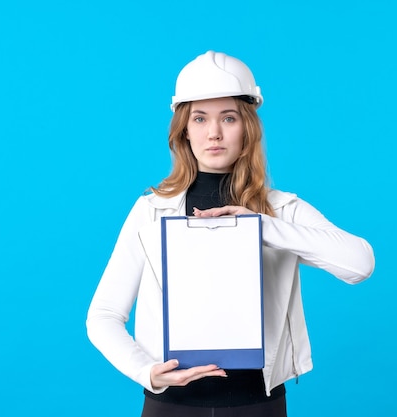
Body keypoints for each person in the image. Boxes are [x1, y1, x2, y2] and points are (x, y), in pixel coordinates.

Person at [86, 50, 375, 417]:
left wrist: (262, 226)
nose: (215, 133)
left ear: (247, 129)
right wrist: (147, 372)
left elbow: (360, 263)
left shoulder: (281, 210)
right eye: (200, 118)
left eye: (229, 117)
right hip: (170, 407)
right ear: (184, 130)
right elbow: (104, 314)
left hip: (258, 405)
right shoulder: (151, 210)